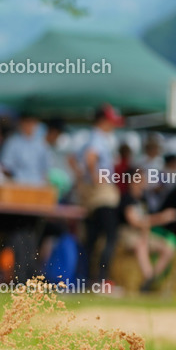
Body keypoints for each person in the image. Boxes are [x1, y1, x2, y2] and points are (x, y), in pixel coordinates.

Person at [77, 104, 124, 287]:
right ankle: (102, 279)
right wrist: (96, 178)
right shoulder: (98, 138)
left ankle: (88, 279)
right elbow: (90, 158)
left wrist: (84, 179)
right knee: (111, 236)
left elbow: (74, 159)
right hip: (103, 194)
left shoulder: (88, 137)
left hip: (93, 196)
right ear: (103, 121)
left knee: (92, 238)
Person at [119, 169, 176, 293]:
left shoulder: (144, 199)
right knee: (141, 245)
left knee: (167, 248)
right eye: (141, 179)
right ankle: (149, 277)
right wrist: (161, 218)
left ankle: (151, 279)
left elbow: (146, 221)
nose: (145, 181)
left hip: (143, 233)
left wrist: (158, 220)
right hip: (128, 233)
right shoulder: (127, 198)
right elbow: (135, 222)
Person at [0, 113, 51, 185]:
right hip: (17, 184)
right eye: (27, 122)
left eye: (32, 122)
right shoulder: (12, 142)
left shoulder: (42, 144)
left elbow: (46, 169)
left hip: (37, 185)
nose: (29, 126)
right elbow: (6, 166)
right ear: (21, 123)